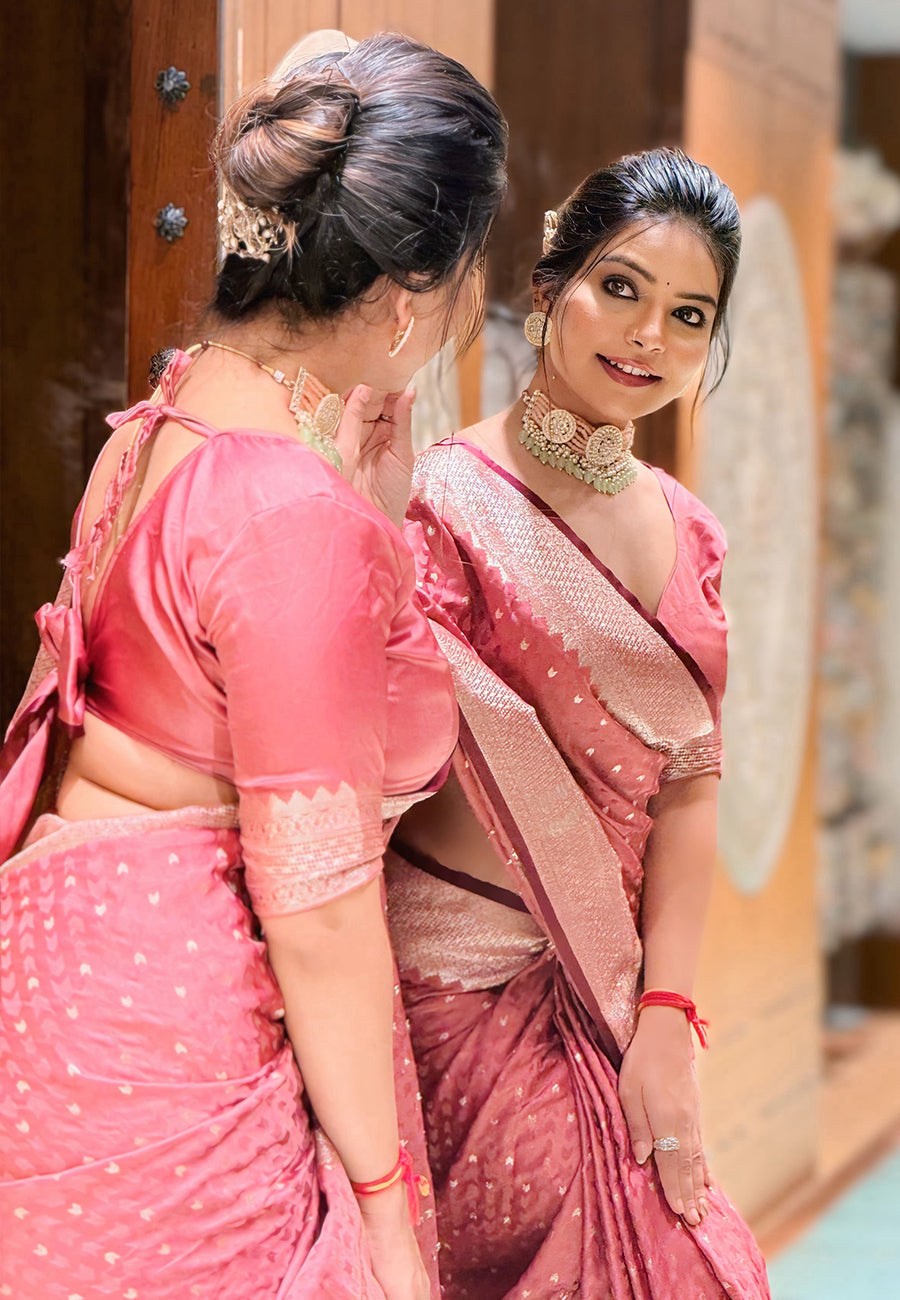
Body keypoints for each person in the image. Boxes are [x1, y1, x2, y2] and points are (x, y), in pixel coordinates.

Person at [0, 31, 506, 1300]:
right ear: (405, 296)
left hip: (68, 984)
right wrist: (386, 1209)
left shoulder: (166, 416)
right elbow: (323, 906)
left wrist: (368, 509)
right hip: (178, 1033)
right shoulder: (293, 514)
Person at [388, 148, 771, 1298]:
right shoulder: (446, 497)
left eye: (688, 314)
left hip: (616, 992)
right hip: (459, 985)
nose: (648, 334)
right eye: (621, 287)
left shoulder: (691, 535)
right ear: (548, 287)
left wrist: (665, 1017)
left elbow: (690, 788)